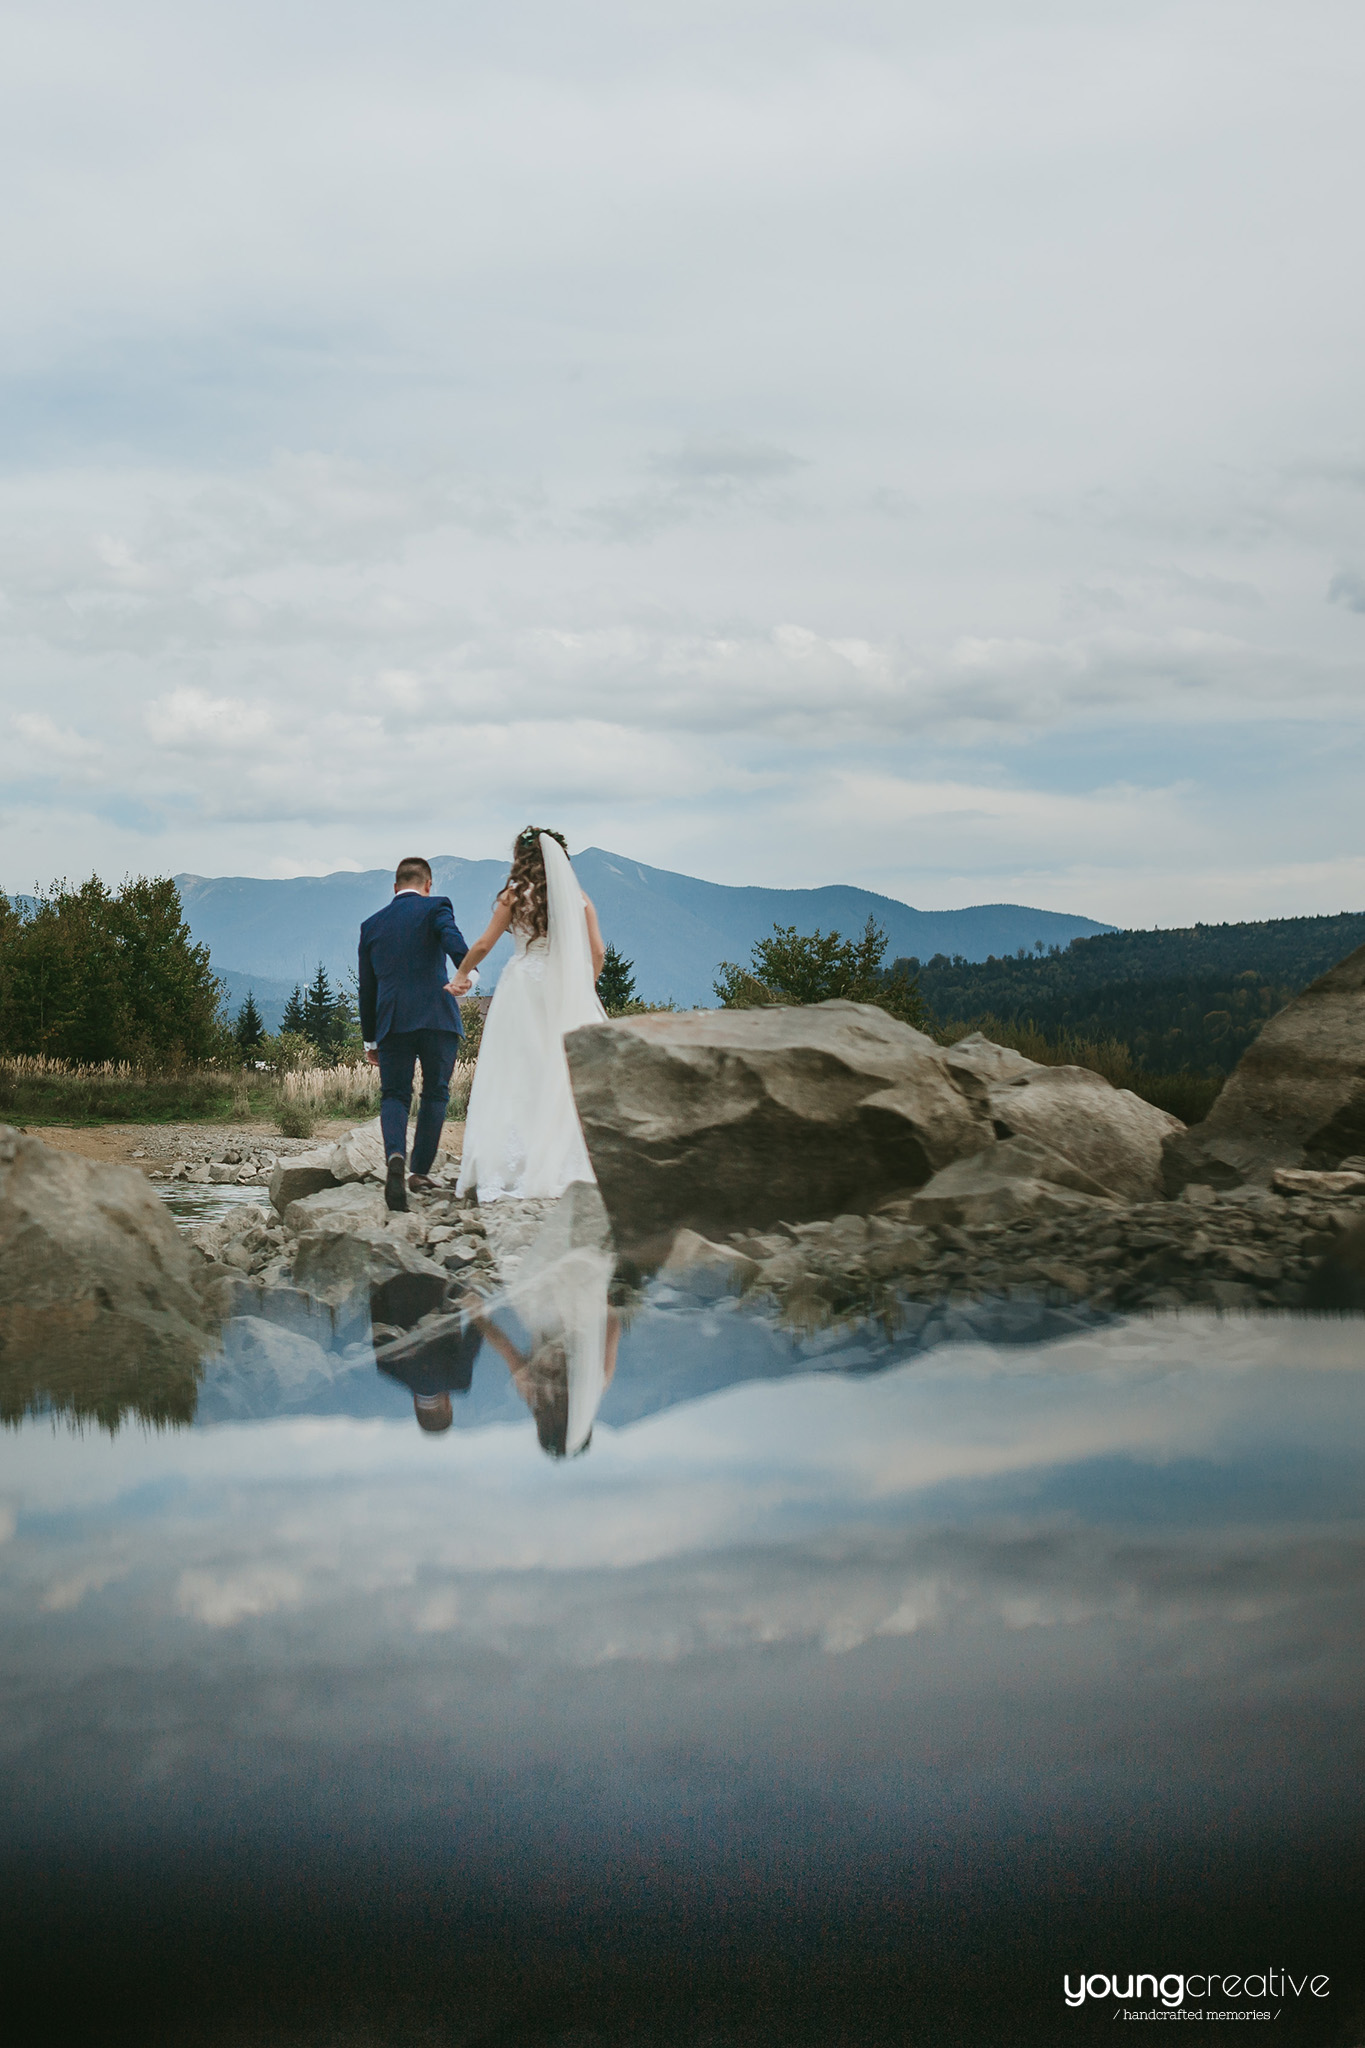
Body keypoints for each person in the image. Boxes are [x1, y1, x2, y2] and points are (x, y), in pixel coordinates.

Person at [450, 828, 607, 1203]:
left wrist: (461, 975)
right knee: (562, 1072)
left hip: (522, 987)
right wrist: (583, 987)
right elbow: (598, 952)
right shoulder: (579, 899)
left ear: (521, 859)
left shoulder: (515, 895)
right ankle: (564, 1162)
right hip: (564, 988)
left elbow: (484, 943)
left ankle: (513, 1165)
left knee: (517, 1071)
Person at [358, 855, 471, 1214]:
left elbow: (367, 989)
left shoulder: (371, 925)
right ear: (428, 884)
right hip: (437, 1016)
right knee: (436, 1093)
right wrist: (466, 972)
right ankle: (419, 1172)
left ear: (395, 887)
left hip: (393, 1022)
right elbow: (452, 939)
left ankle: (395, 1155)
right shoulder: (437, 907)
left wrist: (370, 1038)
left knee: (394, 1095)